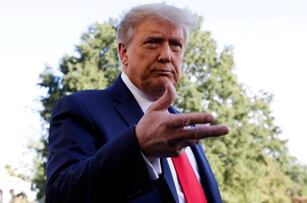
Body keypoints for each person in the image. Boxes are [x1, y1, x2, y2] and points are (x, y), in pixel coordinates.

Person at [46, 3, 229, 203]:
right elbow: (61, 195)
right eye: (153, 42)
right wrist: (138, 147)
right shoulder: (81, 109)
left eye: (175, 44)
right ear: (124, 53)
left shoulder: (187, 128)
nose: (166, 55)